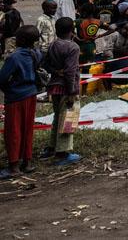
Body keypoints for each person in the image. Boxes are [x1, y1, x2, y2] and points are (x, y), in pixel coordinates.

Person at [0, 25, 41, 179]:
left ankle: (14, 166)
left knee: (13, 131)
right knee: (27, 128)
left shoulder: (14, 57)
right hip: (31, 94)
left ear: (21, 40)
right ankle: (27, 162)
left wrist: (8, 90)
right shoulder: (36, 54)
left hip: (16, 97)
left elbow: (2, 79)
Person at [46, 17, 81, 166]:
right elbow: (70, 71)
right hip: (67, 88)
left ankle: (52, 147)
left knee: (57, 117)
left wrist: (55, 71)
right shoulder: (73, 47)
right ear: (72, 31)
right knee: (68, 119)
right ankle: (62, 154)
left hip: (54, 86)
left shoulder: (53, 44)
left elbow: (46, 64)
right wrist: (72, 91)